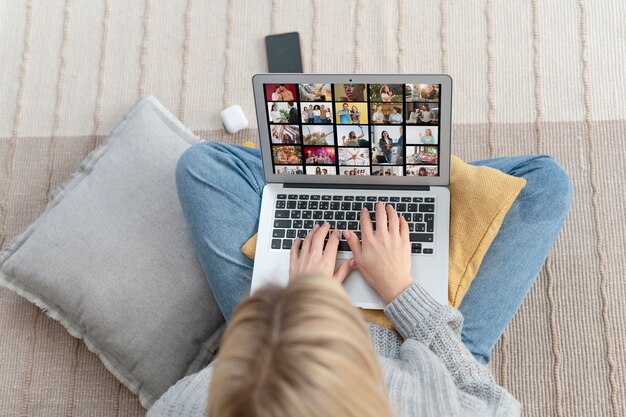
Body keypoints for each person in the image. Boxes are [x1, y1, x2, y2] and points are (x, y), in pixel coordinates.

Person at [148, 141, 573, 417]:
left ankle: (352, 186)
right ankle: (402, 180)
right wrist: (401, 290)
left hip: (280, 330)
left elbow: (234, 369)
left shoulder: (185, 408)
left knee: (204, 165)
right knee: (544, 180)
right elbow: (494, 405)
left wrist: (305, 303)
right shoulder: (420, 404)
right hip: (420, 338)